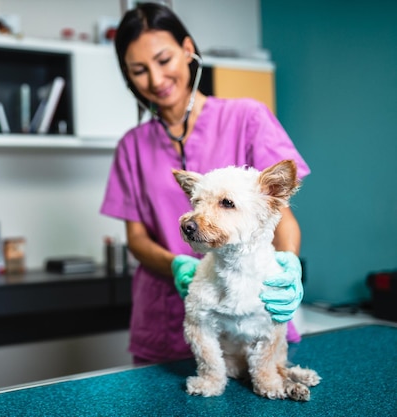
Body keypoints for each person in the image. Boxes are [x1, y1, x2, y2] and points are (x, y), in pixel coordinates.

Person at [100, 3, 310, 365]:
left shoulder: (247, 117)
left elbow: (281, 214)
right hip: (165, 321)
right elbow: (136, 239)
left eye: (164, 60)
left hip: (253, 310)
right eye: (139, 70)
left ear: (186, 50)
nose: (155, 79)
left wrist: (288, 264)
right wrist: (181, 266)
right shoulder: (131, 147)